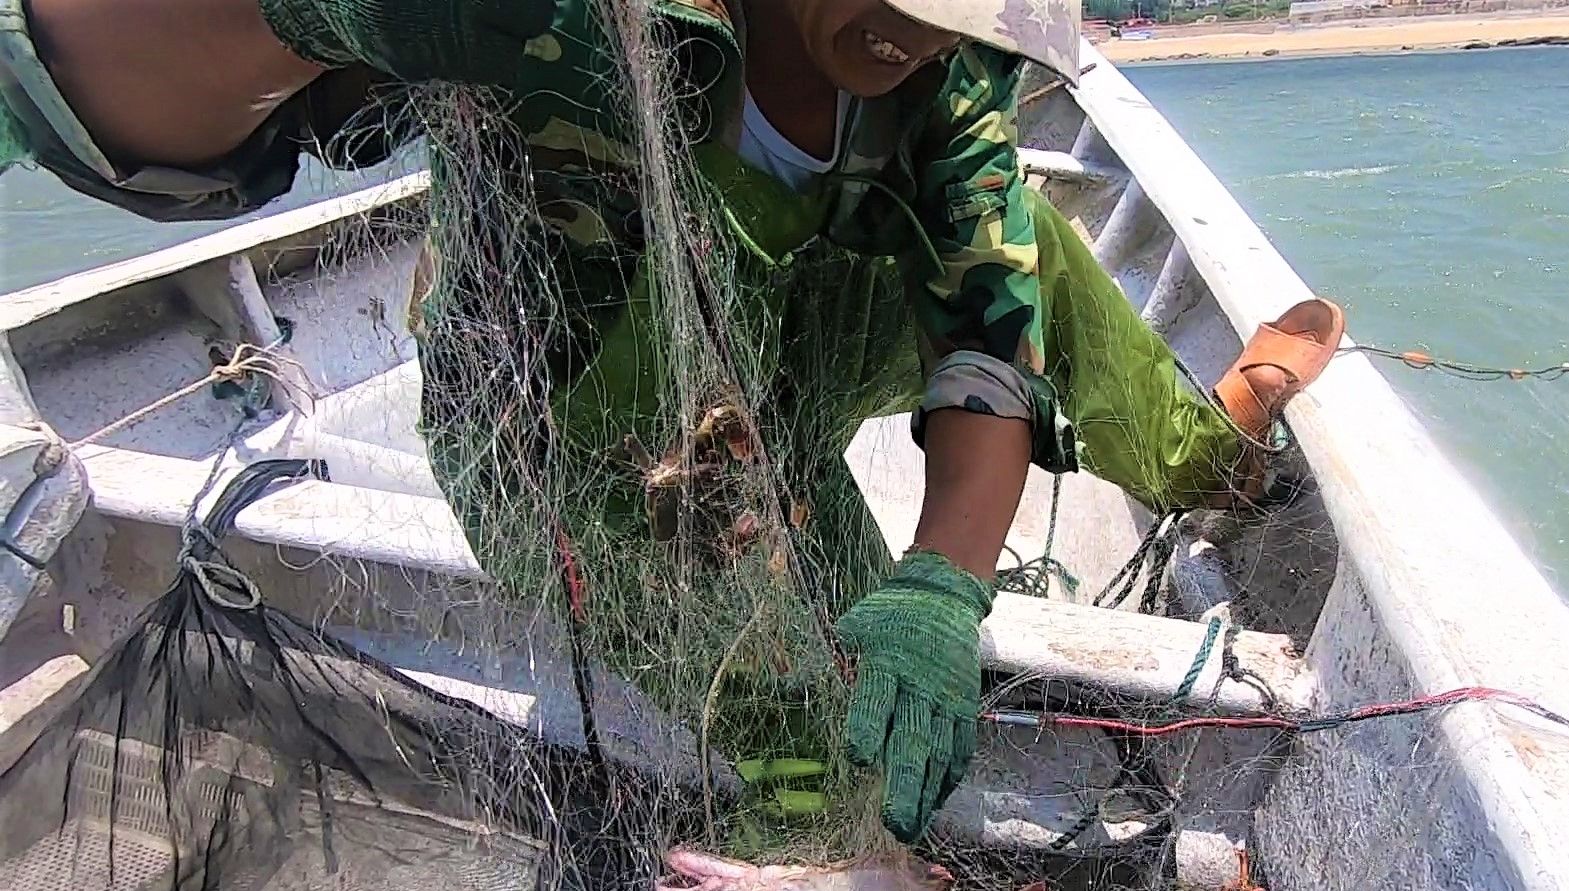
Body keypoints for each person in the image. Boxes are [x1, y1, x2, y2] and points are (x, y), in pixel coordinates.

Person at [0, 0, 1340, 846]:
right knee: (819, 734)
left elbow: (984, 333)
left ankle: (1197, 445)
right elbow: (109, 98)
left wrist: (943, 581)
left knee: (1027, 244)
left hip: (784, 368)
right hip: (580, 445)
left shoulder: (952, 75)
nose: (916, 39)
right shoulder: (582, 23)